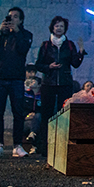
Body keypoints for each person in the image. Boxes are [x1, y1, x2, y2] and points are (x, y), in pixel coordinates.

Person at [34, 15, 86, 152]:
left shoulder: (69, 45)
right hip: (48, 84)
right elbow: (38, 64)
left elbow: (75, 64)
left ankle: (61, 146)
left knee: (62, 114)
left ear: (65, 29)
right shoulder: (45, 45)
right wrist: (48, 67)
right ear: (52, 27)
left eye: (61, 26)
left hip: (64, 83)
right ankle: (44, 147)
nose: (59, 28)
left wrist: (80, 52)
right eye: (57, 26)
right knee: (47, 114)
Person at [0, 7, 33, 158]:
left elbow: (23, 49)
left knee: (18, 113)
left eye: (15, 17)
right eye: (10, 16)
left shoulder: (26, 35)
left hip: (16, 78)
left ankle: (17, 146)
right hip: (0, 77)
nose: (12, 19)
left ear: (21, 20)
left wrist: (17, 32)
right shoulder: (3, 34)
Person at [23, 65, 42, 150]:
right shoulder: (25, 94)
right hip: (26, 119)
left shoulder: (40, 95)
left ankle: (33, 135)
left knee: (37, 117)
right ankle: (34, 145)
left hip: (37, 119)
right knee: (31, 123)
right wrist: (27, 116)